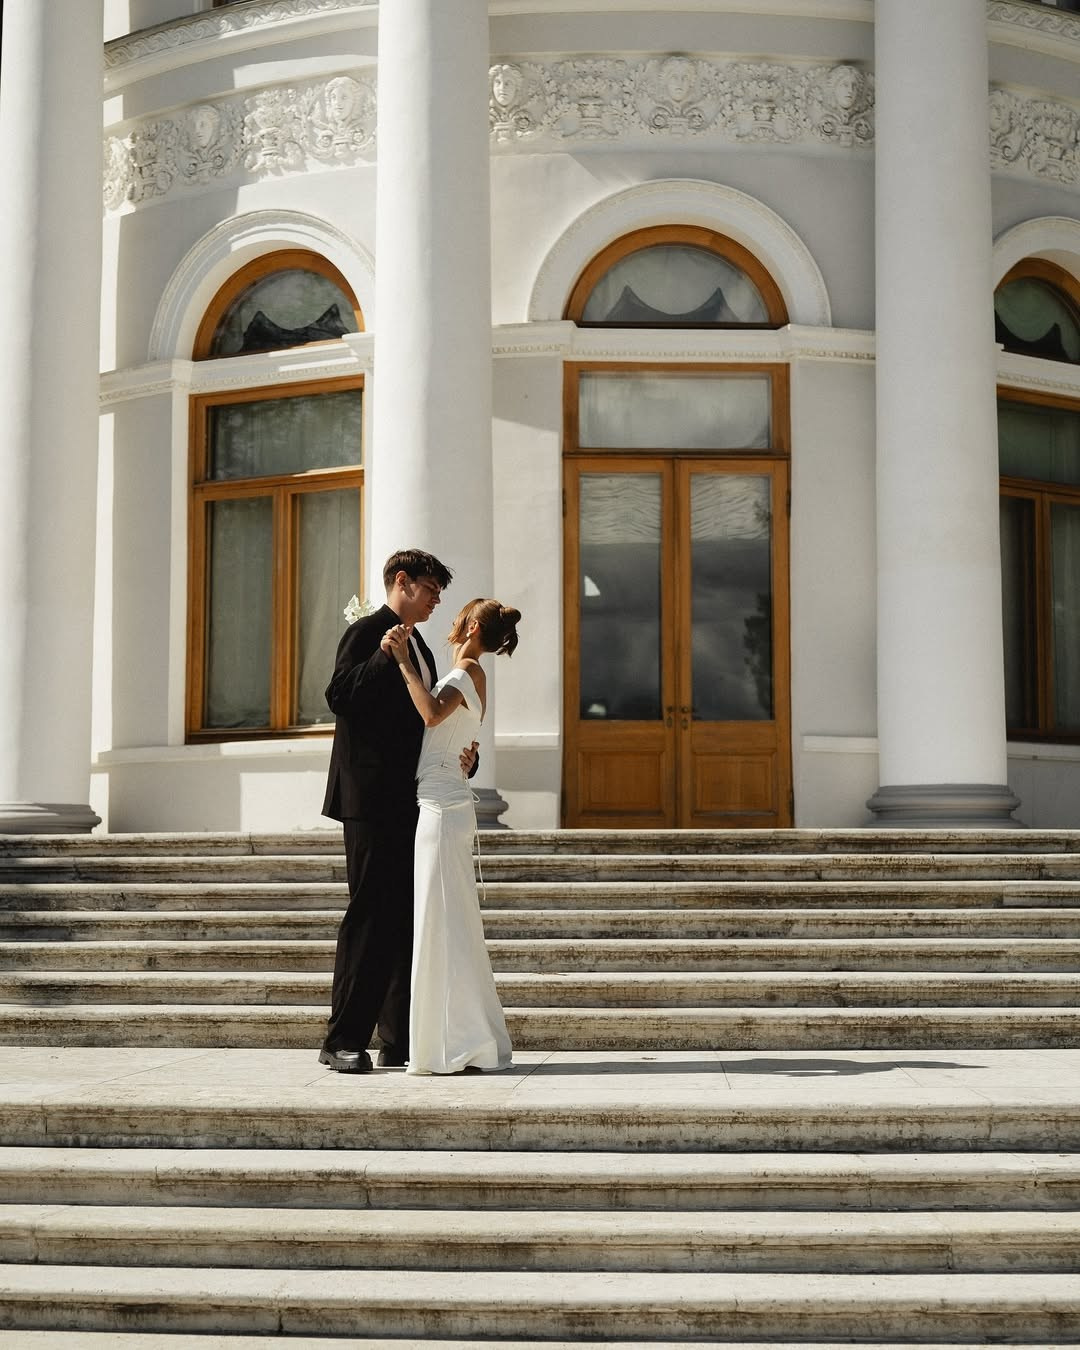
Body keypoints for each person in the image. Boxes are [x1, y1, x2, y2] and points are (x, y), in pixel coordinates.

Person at [319, 549, 478, 1074]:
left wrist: (462, 761)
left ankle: (398, 1038)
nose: (436, 600)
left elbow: (424, 722)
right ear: (402, 582)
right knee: (368, 916)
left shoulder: (420, 644)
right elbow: (339, 695)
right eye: (431, 589)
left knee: (403, 919)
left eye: (439, 593)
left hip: (409, 799)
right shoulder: (371, 631)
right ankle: (341, 1039)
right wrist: (384, 657)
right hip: (367, 799)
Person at [384, 598, 519, 1076]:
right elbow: (456, 738)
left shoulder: (464, 671)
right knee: (448, 925)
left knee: (440, 925)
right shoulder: (470, 675)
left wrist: (402, 662)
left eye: (459, 615)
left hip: (442, 809)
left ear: (473, 625)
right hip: (444, 801)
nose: (452, 622)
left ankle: (454, 1042)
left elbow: (432, 716)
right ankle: (456, 1036)